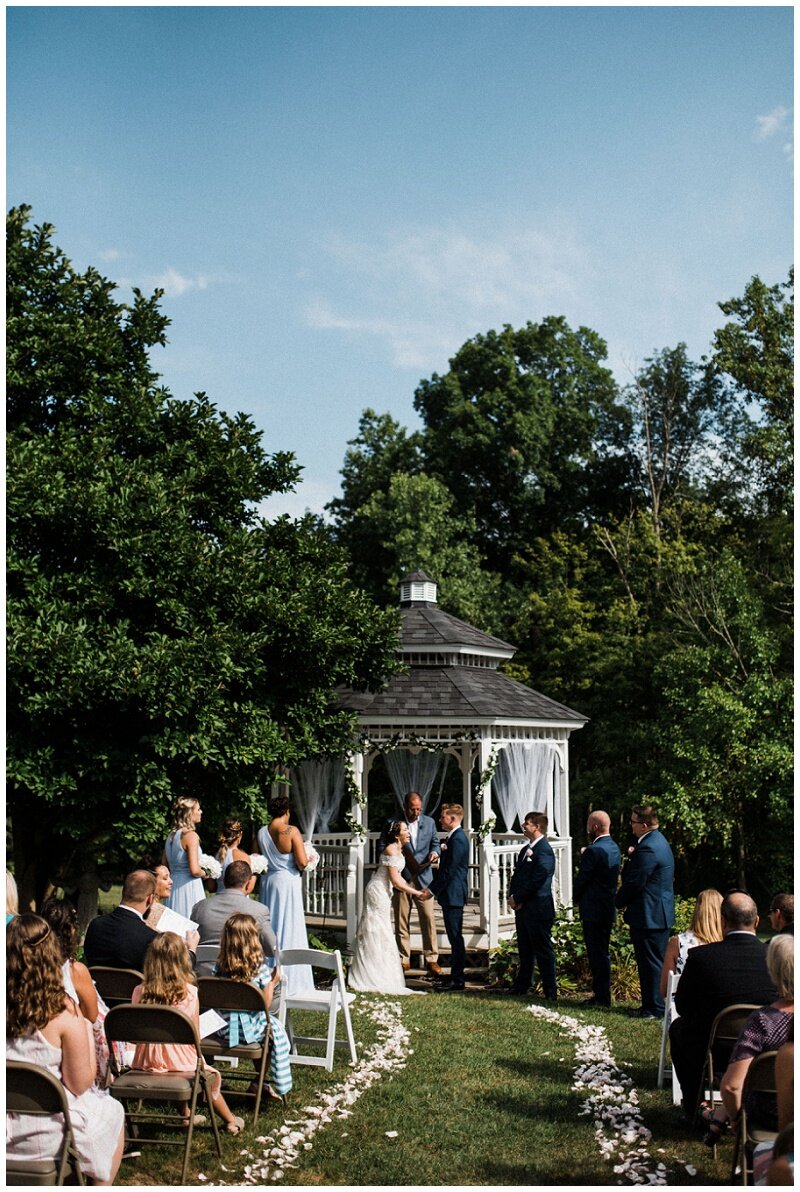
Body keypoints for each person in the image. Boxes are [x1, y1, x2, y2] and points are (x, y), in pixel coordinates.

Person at [6, 914, 125, 1185]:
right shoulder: (61, 1010)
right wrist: (84, 1030)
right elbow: (80, 1084)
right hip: (44, 1138)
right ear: (50, 956)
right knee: (113, 1110)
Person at [669, 891, 777, 1118]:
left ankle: (695, 1106)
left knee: (678, 1029)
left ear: (722, 921)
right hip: (764, 1050)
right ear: (757, 921)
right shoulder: (774, 958)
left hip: (713, 1050)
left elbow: (682, 1006)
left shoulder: (700, 957)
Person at [130, 931, 244, 1133]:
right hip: (180, 1061)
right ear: (182, 960)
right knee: (207, 1074)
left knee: (176, 1057)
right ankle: (230, 1120)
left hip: (146, 1060)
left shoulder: (139, 991)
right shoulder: (190, 993)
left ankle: (185, 1115)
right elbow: (194, 1037)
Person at [701, 933, 793, 1157]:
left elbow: (732, 1087)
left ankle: (718, 1117)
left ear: (772, 970)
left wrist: (736, 1119)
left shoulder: (762, 1022)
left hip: (770, 1115)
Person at [211, 912, 292, 1098]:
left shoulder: (219, 967)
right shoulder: (260, 970)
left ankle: (259, 1082)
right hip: (249, 1032)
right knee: (273, 1032)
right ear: (254, 940)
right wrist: (273, 982)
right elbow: (265, 1004)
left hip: (223, 1029)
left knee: (268, 1029)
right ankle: (258, 1081)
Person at [349, 821, 432, 994]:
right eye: (405, 830)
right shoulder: (390, 850)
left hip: (385, 892)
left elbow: (400, 879)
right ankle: (369, 973)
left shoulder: (400, 850)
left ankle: (381, 972)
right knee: (376, 930)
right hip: (377, 891)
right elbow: (396, 881)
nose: (408, 832)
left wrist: (415, 890)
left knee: (382, 930)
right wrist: (416, 893)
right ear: (396, 835)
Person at [615, 803, 675, 1018]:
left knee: (651, 963)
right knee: (650, 961)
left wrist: (617, 901)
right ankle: (650, 1005)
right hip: (655, 913)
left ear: (644, 824)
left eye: (632, 822)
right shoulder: (656, 841)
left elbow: (636, 882)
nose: (631, 826)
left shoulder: (649, 846)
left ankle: (655, 1008)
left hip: (651, 914)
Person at [256, 794, 313, 996]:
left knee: (270, 924)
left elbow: (257, 858)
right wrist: (310, 858)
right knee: (289, 924)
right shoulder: (291, 831)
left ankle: (267, 974)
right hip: (287, 882)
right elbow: (302, 862)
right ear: (287, 811)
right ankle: (292, 978)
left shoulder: (261, 832)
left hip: (269, 881)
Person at [191, 860, 279, 986]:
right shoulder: (259, 910)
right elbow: (271, 949)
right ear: (248, 883)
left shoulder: (200, 907)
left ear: (224, 881)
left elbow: (190, 943)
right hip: (243, 981)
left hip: (203, 980)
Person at [382, 791, 442, 976]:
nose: (416, 812)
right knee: (401, 920)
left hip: (424, 878)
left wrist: (435, 852)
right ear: (405, 807)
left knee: (428, 919)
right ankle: (403, 958)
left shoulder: (429, 822)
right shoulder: (392, 822)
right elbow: (382, 844)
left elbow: (435, 843)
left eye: (419, 809)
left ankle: (432, 959)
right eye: (412, 809)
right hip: (402, 877)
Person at [507, 811, 557, 1000]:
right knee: (525, 949)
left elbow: (539, 878)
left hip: (537, 908)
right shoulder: (525, 849)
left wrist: (519, 898)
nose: (523, 826)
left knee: (543, 951)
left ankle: (550, 990)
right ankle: (523, 984)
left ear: (537, 827)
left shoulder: (543, 850)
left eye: (526, 823)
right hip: (523, 908)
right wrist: (512, 897)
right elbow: (519, 876)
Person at [573, 810, 621, 1008]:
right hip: (607, 907)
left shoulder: (594, 851)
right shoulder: (614, 847)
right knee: (602, 953)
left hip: (594, 909)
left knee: (597, 954)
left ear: (594, 827)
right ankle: (602, 995)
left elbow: (584, 879)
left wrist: (575, 898)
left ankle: (601, 997)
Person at [84, 869, 163, 972]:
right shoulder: (150, 938)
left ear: (123, 892)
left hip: (96, 987)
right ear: (150, 899)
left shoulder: (95, 926)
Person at [430, 804, 470, 992]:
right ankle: (455, 977)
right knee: (454, 936)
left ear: (453, 819)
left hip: (453, 894)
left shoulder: (459, 839)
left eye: (443, 817)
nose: (440, 820)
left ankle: (458, 979)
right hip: (450, 894)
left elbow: (449, 871)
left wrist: (432, 890)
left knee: (455, 937)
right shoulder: (454, 837)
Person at [660, 888, 724, 1001]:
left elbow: (665, 990)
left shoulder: (677, 943)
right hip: (720, 1013)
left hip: (684, 1013)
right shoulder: (728, 943)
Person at [162, 795, 207, 918]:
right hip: (189, 886)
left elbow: (164, 867)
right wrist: (207, 873)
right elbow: (195, 870)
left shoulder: (170, 836)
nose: (201, 812)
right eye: (198, 809)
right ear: (189, 813)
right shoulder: (191, 836)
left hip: (173, 885)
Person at [216, 819, 250, 892]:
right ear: (240, 834)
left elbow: (211, 887)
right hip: (237, 900)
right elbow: (247, 889)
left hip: (219, 898)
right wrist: (256, 874)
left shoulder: (218, 855)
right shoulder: (242, 857)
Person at [143, 862, 174, 929]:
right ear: (152, 883)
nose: (171, 881)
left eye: (170, 877)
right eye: (165, 878)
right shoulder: (158, 913)